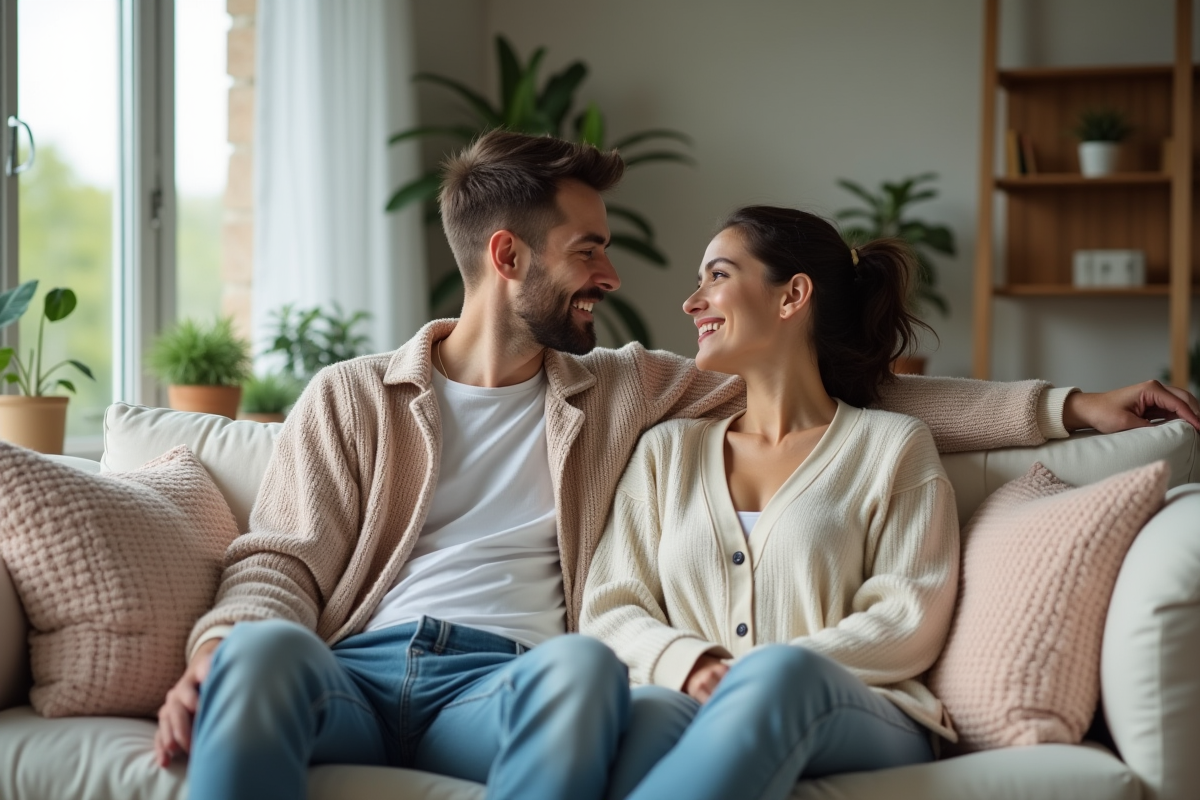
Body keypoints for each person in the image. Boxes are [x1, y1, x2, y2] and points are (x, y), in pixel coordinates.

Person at [153, 130, 1200, 800]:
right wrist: (216, 646)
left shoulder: (624, 389)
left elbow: (852, 393)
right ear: (507, 256)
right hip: (357, 664)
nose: (613, 275)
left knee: (581, 666)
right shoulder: (352, 396)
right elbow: (277, 561)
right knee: (258, 655)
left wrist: (1060, 406)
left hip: (509, 679)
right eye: (589, 251)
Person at [580, 205, 1200, 800]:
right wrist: (688, 666)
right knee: (651, 711)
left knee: (780, 677)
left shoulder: (890, 446)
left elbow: (908, 617)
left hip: (865, 709)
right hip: (694, 697)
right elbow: (611, 604)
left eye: (717, 276)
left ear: (792, 296)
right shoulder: (666, 452)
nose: (692, 302)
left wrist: (747, 673)